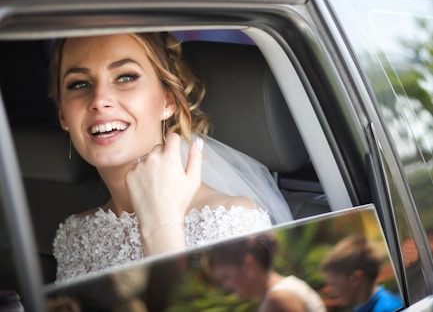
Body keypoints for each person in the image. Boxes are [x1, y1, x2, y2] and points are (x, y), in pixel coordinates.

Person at [49, 32, 292, 281]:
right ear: (63, 115)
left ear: (168, 100)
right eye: (79, 84)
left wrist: (161, 229)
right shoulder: (75, 234)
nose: (99, 100)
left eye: (126, 77)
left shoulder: (231, 223)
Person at [204, 233, 326, 312]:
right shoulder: (276, 294)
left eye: (226, 277)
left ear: (248, 263)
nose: (225, 286)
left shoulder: (279, 298)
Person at [320, 235, 403, 312]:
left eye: (334, 284)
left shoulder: (388, 309)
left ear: (356, 278)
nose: (332, 292)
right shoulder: (361, 309)